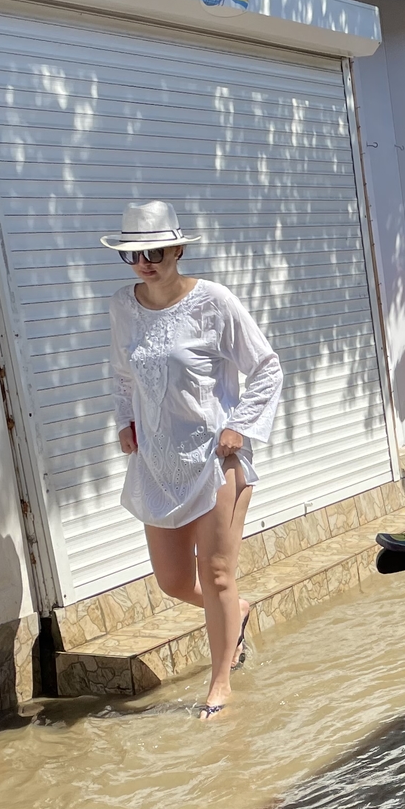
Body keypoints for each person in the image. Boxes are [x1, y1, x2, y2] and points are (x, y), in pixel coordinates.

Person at [107, 201, 282, 721]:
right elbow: (121, 375)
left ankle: (219, 684)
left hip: (213, 460)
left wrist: (240, 426)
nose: (144, 263)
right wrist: (124, 421)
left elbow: (267, 367)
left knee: (220, 575)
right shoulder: (122, 306)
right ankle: (237, 615)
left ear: (178, 248)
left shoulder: (214, 302)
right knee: (174, 582)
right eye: (133, 254)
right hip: (158, 464)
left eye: (155, 251)